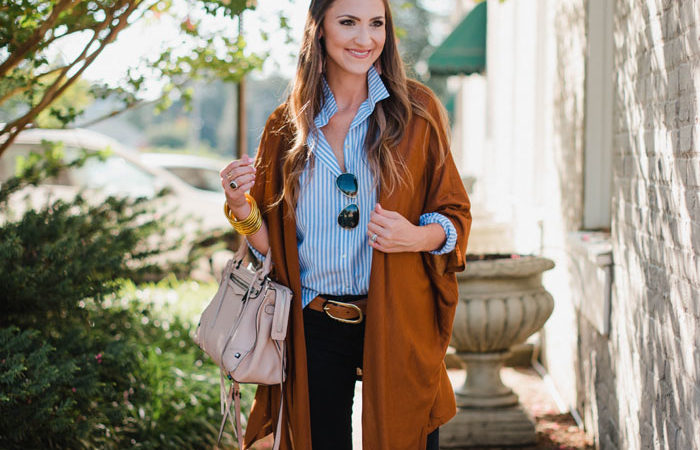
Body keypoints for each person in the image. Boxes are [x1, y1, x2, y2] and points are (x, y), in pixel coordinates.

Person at [219, 0, 471, 448]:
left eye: (376, 24)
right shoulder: (286, 127)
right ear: (319, 30)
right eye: (349, 22)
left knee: (406, 436)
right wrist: (240, 207)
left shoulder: (416, 111)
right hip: (312, 324)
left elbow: (453, 215)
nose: (365, 38)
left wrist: (415, 236)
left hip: (396, 315)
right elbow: (273, 249)